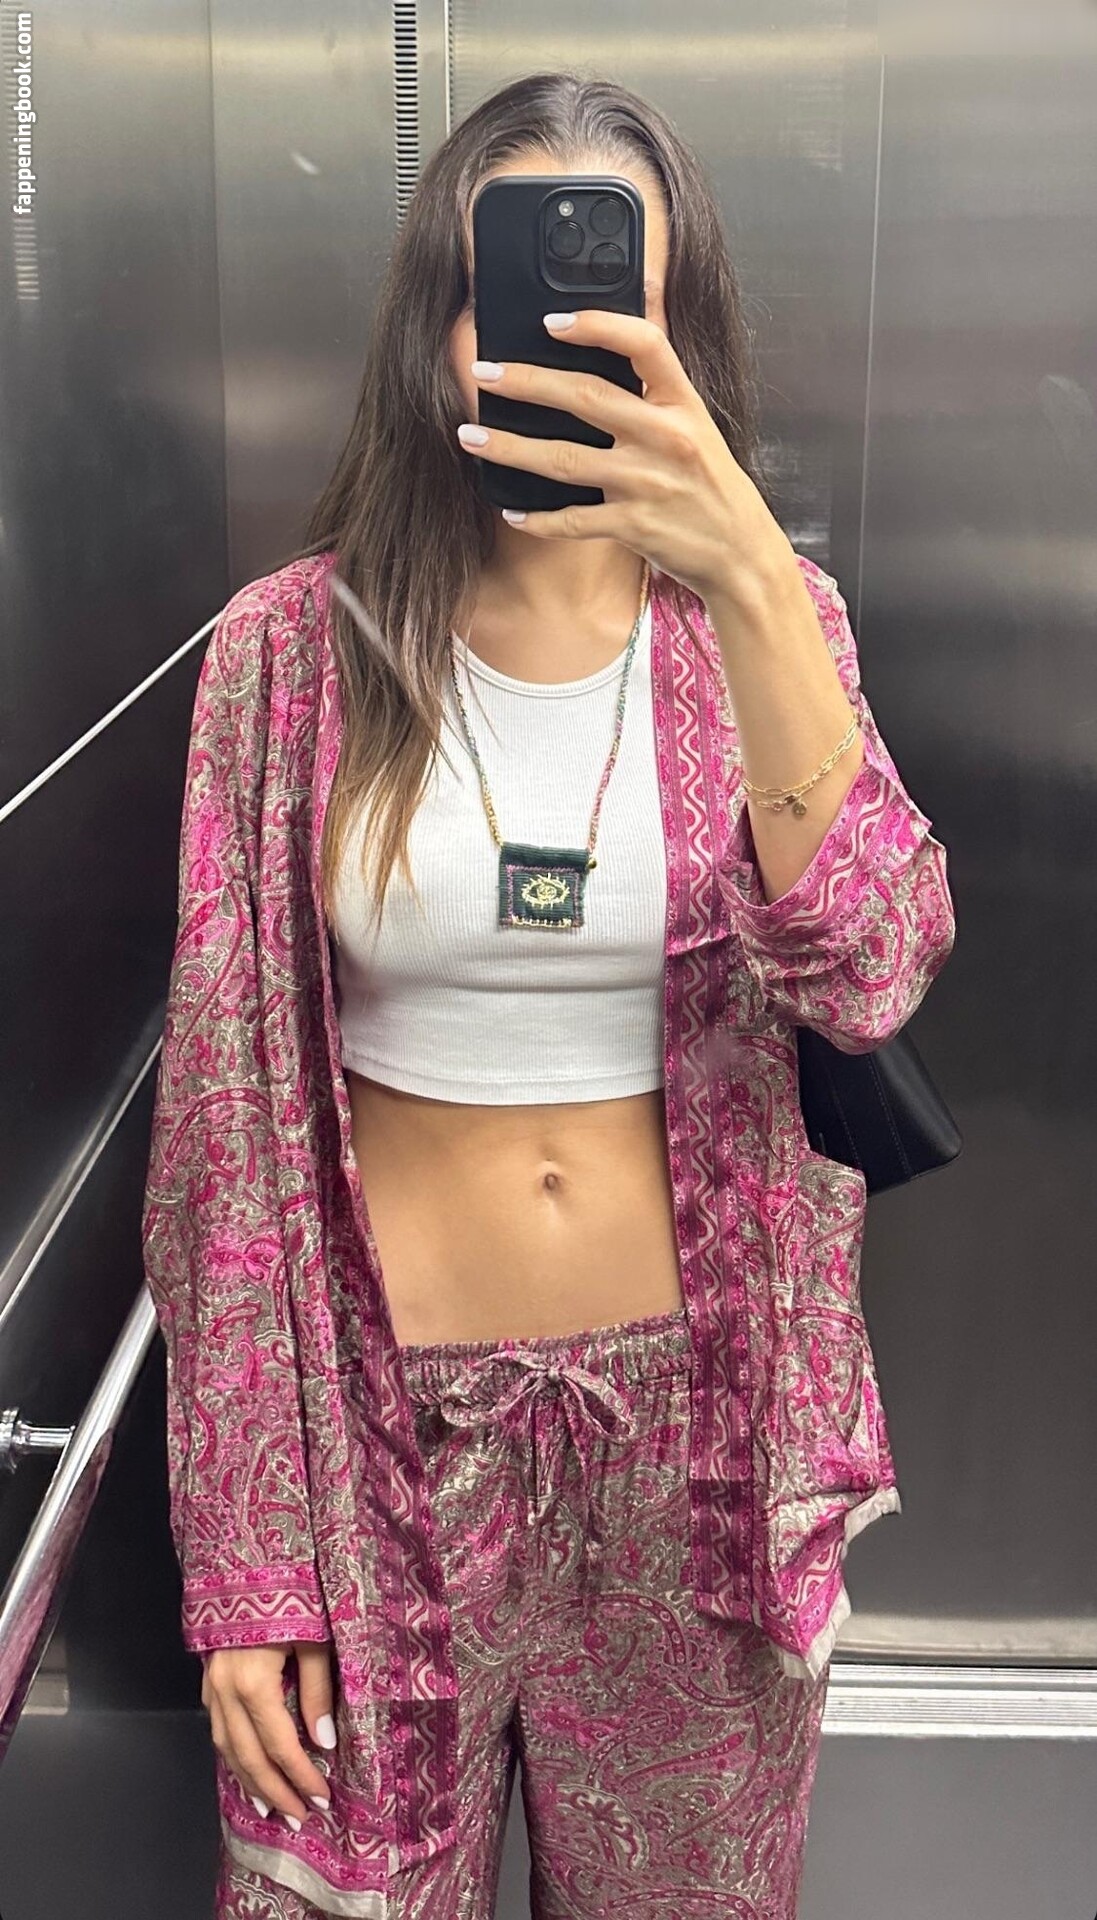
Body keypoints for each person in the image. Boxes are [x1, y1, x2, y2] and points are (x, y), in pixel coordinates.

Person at [142, 70, 955, 1920]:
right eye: (506, 292)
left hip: (700, 1463)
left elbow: (874, 967)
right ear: (435, 328)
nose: (566, 344)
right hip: (377, 1465)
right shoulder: (289, 653)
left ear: (684, 341)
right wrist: (249, 1565)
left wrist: (744, 565)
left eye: (620, 307)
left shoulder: (771, 629)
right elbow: (221, 1136)